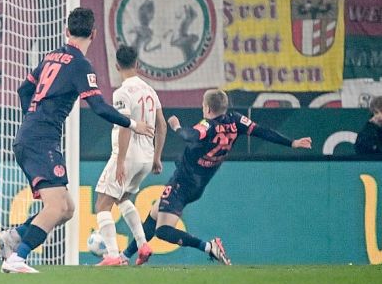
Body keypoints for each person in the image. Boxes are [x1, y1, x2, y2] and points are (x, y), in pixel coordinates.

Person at [0, 8, 154, 273]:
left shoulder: (51, 56)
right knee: (56, 206)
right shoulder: (81, 65)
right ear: (94, 33)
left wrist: (32, 117)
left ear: (66, 31)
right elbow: (99, 107)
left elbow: (23, 89)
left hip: (34, 135)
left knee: (67, 209)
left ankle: (13, 236)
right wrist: (134, 124)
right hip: (40, 138)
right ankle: (17, 257)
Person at [122, 89, 312, 264]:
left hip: (182, 182)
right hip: (199, 185)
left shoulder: (208, 125)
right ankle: (124, 257)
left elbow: (190, 136)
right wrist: (292, 143)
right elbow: (263, 132)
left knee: (162, 230)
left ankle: (208, 247)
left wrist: (177, 126)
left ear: (207, 107)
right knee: (153, 217)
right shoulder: (236, 121)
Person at [91, 45, 166, 266]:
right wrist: (157, 157)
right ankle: (143, 244)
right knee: (123, 199)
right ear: (137, 64)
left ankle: (113, 254)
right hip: (146, 156)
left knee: (102, 205)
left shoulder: (122, 92)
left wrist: (121, 161)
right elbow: (162, 126)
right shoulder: (150, 90)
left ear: (116, 66)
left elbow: (125, 126)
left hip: (129, 155)